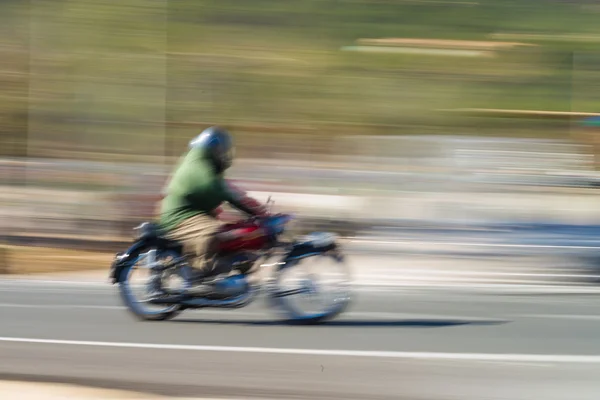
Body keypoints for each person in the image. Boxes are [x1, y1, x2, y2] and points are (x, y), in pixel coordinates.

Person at [152, 126, 268, 297]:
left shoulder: (204, 166)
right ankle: (200, 275)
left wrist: (254, 208)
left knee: (235, 235)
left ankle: (225, 271)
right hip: (178, 217)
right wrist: (251, 208)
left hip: (192, 214)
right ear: (215, 148)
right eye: (222, 149)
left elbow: (226, 188)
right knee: (213, 232)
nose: (225, 154)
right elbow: (219, 188)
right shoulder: (198, 165)